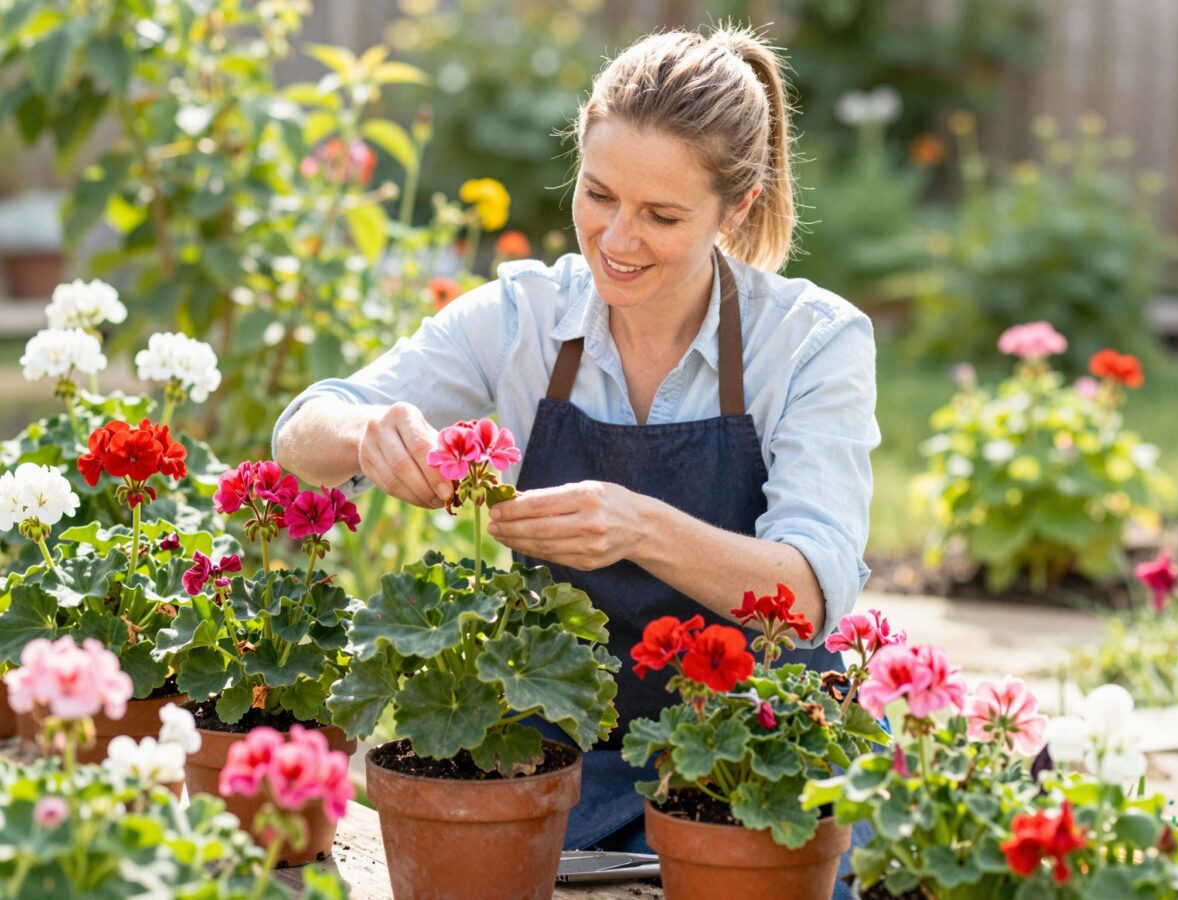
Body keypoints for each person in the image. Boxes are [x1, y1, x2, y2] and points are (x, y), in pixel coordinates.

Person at [274, 24, 878, 894]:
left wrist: (639, 525)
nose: (617, 239)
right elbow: (302, 430)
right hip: (569, 748)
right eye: (598, 195)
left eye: (662, 216)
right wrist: (366, 434)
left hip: (757, 749)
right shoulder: (526, 314)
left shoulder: (811, 340)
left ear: (735, 208)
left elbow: (812, 591)